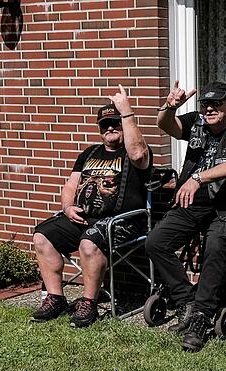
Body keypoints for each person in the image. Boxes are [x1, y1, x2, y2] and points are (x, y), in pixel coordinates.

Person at [148, 80, 226, 351]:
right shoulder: (197, 121)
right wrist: (169, 107)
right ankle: (187, 300)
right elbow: (166, 125)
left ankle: (200, 317)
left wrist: (197, 177)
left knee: (216, 248)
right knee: (156, 242)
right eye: (206, 104)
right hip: (193, 203)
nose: (209, 109)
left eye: (216, 104)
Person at [31, 85, 152, 328]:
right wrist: (67, 207)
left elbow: (139, 154)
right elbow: (70, 186)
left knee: (89, 242)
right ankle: (55, 298)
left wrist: (127, 113)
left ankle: (88, 303)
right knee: (42, 235)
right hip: (84, 219)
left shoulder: (135, 152)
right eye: (104, 124)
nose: (110, 128)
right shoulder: (89, 153)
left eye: (115, 123)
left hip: (123, 221)